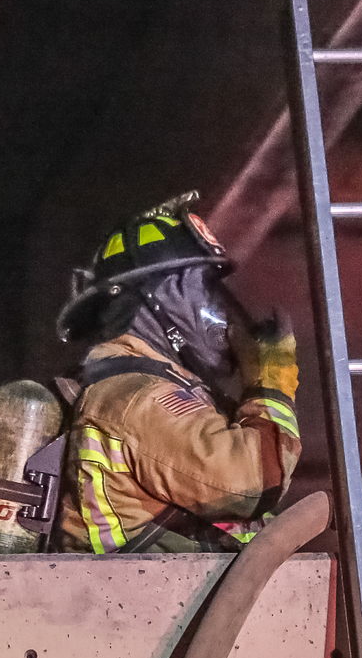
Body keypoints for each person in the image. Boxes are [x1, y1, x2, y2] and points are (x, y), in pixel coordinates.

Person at [51, 193, 301, 553]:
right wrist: (271, 383)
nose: (223, 313)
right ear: (160, 298)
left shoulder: (154, 387)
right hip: (146, 603)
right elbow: (252, 484)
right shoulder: (137, 398)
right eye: (207, 291)